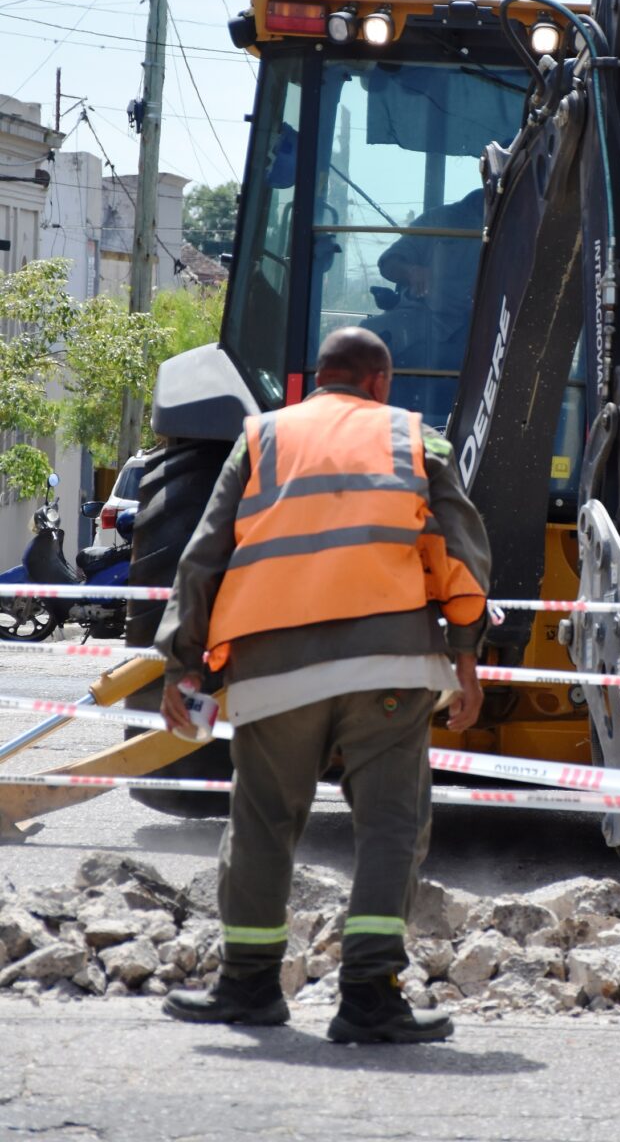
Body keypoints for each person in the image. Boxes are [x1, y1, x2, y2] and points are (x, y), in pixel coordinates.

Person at [156, 325, 491, 1045]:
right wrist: (465, 657)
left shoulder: (261, 440)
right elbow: (458, 557)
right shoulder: (414, 439)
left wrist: (181, 664)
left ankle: (247, 985)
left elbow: (202, 559)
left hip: (271, 673)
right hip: (388, 671)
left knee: (262, 821)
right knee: (390, 826)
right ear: (379, 383)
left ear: (316, 381)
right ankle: (370, 995)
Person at [371, 187, 484, 372]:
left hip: (480, 325)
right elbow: (388, 263)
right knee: (361, 344)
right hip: (422, 317)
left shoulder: (517, 232)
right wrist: (411, 271)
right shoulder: (440, 220)